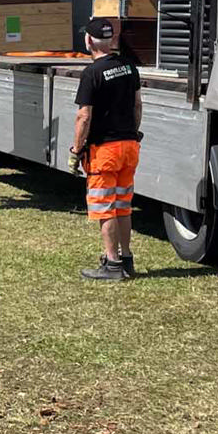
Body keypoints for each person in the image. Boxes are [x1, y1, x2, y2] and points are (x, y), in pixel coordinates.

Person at [69, 17, 142, 281]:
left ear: (88, 40)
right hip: (129, 146)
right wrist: (132, 131)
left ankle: (112, 264)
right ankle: (126, 259)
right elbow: (137, 105)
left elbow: (84, 116)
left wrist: (76, 150)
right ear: (111, 40)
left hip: (104, 151)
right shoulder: (128, 66)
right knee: (123, 206)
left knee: (105, 208)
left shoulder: (92, 73)